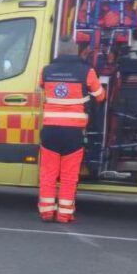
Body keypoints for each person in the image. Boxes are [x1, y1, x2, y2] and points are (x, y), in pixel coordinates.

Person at [37, 46, 105, 223]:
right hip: (73, 132)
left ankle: (46, 212)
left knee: (48, 174)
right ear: (77, 52)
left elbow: (41, 87)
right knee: (69, 176)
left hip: (50, 131)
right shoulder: (86, 71)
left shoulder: (46, 71)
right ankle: (64, 214)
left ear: (59, 52)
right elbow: (100, 96)